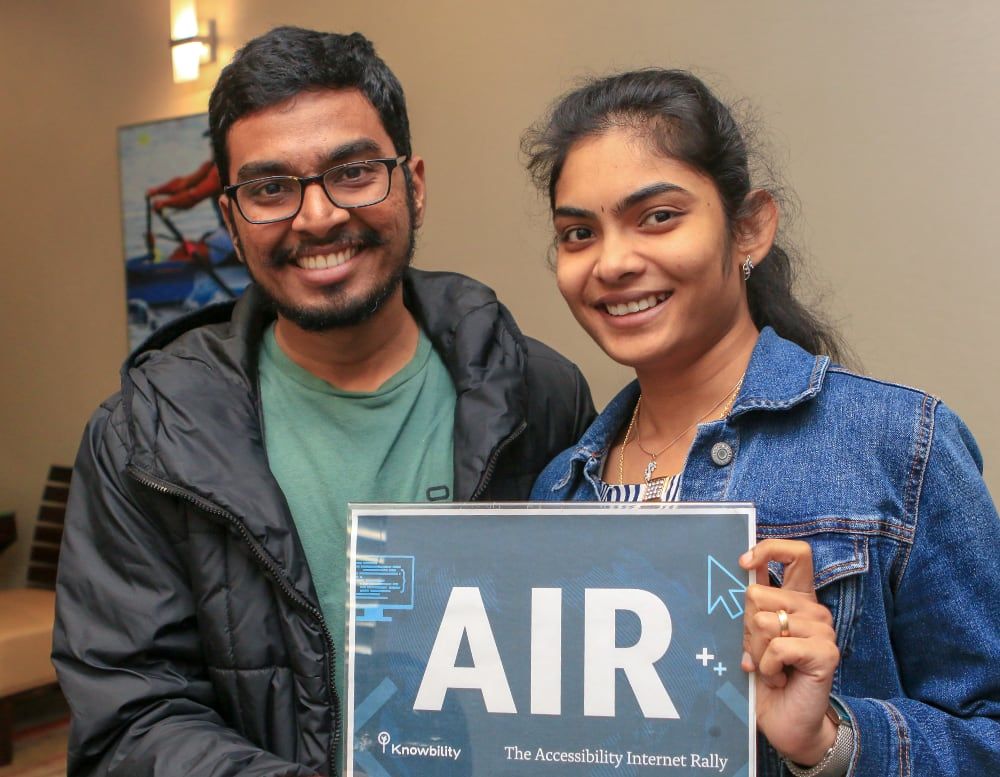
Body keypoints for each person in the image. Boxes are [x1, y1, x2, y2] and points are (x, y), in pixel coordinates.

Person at [53, 26, 595, 777]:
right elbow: (131, 718)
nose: (318, 216)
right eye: (271, 188)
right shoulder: (142, 438)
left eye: (354, 170)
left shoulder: (539, 391)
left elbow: (579, 662)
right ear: (232, 222)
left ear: (416, 183)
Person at [526, 69, 1000, 776]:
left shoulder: (900, 443)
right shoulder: (559, 490)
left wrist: (831, 738)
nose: (614, 261)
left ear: (749, 227)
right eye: (578, 232)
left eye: (658, 216)